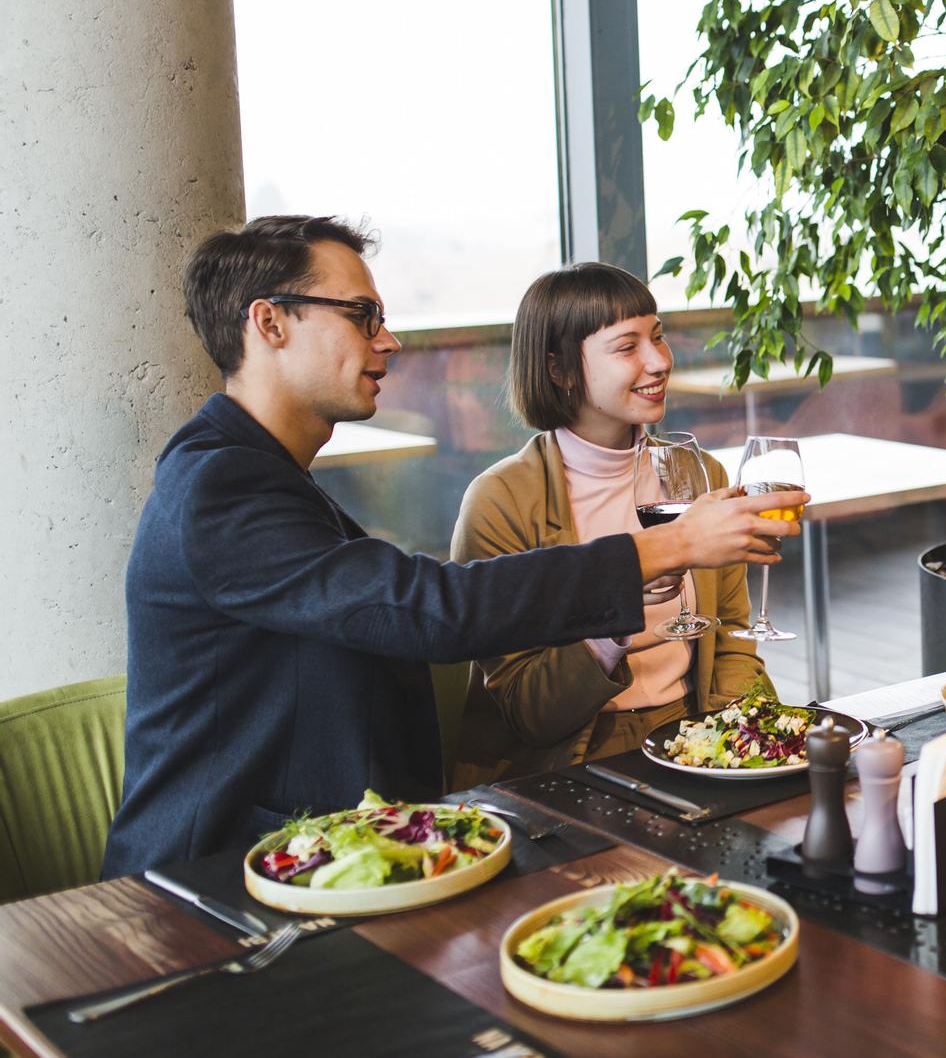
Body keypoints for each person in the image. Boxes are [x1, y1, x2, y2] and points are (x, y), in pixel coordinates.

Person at [101, 217, 806, 877]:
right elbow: (427, 609)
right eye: (362, 315)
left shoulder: (262, 476)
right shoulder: (220, 487)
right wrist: (667, 546)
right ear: (270, 321)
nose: (389, 340)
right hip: (209, 883)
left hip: (317, 857)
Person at [448, 264, 766, 787]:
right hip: (570, 758)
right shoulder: (502, 501)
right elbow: (529, 711)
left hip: (696, 733)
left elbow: (731, 631)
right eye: (627, 347)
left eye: (658, 337)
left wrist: (736, 738)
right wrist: (613, 621)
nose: (658, 361)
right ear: (560, 369)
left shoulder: (697, 472)